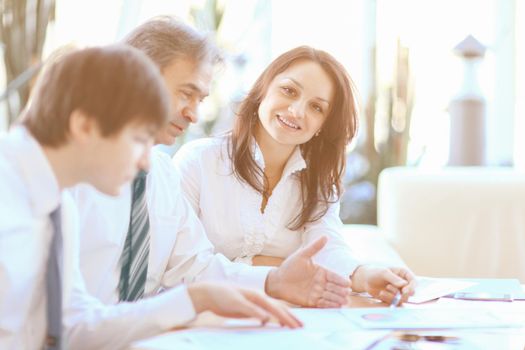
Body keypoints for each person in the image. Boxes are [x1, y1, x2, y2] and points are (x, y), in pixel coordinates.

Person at [68, 18, 347, 349]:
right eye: (187, 93)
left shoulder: (161, 174)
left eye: (200, 99)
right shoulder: (67, 178)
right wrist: (194, 300)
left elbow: (194, 266)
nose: (193, 115)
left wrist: (274, 281)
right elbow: (65, 325)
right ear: (137, 73)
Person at [0, 45, 298, 350]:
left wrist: (195, 299)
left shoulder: (57, 205)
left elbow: (75, 326)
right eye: (140, 139)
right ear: (84, 126)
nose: (146, 162)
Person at [173, 46, 417, 305]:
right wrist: (274, 272)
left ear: (323, 125)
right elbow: (182, 268)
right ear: (263, 90)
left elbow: (327, 247)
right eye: (289, 91)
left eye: (316, 107)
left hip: (281, 319)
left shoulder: (318, 181)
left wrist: (366, 276)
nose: (298, 111)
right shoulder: (197, 161)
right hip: (198, 317)